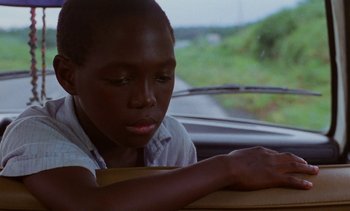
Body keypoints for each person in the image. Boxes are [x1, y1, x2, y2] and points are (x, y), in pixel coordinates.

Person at [0, 0, 319, 210]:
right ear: (68, 76)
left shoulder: (173, 139)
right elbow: (89, 206)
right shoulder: (34, 132)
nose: (147, 98)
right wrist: (228, 167)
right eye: (122, 80)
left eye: (163, 77)